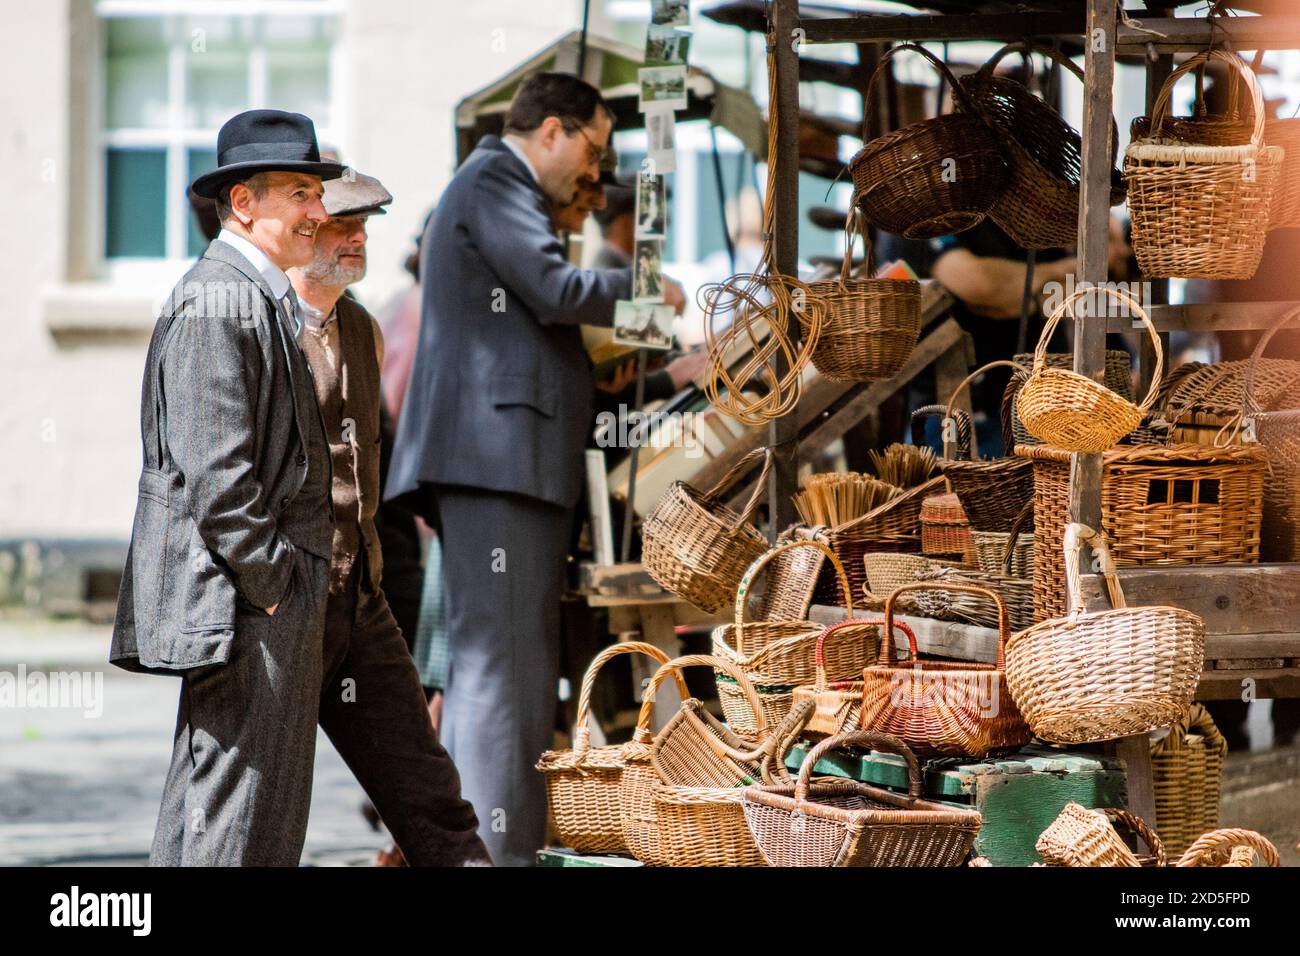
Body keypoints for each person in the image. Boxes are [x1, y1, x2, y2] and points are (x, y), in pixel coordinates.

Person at [385, 72, 682, 866]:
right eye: (592, 147)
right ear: (550, 129)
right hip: (499, 461)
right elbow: (553, 288)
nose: (594, 171)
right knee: (502, 684)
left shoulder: (489, 183)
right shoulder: (495, 177)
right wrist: (651, 290)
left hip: (503, 460)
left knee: (505, 678)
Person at [112, 110, 346, 865]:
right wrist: (275, 585)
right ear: (244, 203)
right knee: (236, 818)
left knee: (237, 813)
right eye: (301, 193)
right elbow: (219, 477)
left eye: (317, 193)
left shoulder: (250, 292)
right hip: (249, 603)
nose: (319, 212)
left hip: (260, 596)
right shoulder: (219, 297)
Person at [286, 170, 489, 866]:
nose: (359, 237)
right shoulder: (258, 324)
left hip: (360, 594)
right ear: (300, 228)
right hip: (281, 604)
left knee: (434, 802)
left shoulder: (363, 328)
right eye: (343, 224)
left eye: (365, 223)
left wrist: (367, 571)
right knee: (252, 809)